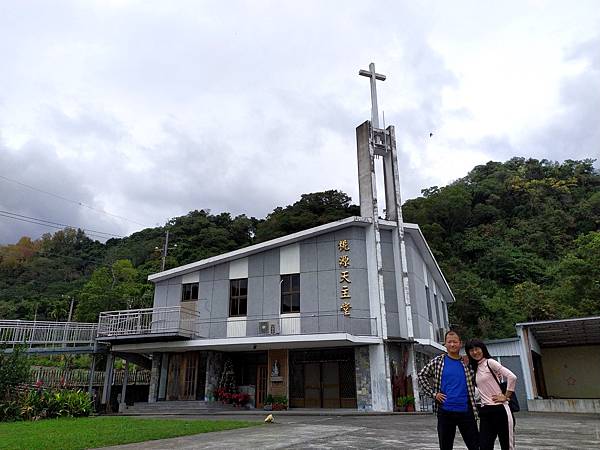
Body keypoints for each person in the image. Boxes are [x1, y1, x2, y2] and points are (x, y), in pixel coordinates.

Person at [418, 330, 480, 450]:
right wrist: (433, 394)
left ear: (460, 344)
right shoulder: (438, 361)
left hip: (466, 411)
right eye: (449, 342)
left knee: (474, 445)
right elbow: (422, 375)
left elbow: (483, 373)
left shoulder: (467, 363)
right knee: (445, 446)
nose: (452, 345)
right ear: (445, 344)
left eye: (455, 342)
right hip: (445, 411)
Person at [465, 339, 517, 450]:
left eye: (477, 349)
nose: (475, 352)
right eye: (471, 350)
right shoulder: (474, 368)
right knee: (484, 446)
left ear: (482, 349)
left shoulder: (490, 362)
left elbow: (512, 377)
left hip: (501, 410)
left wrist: (506, 396)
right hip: (485, 412)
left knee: (507, 446)